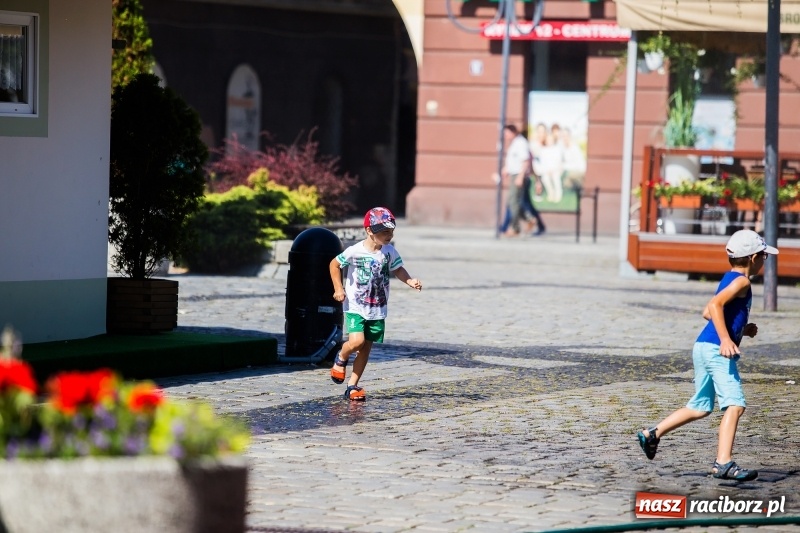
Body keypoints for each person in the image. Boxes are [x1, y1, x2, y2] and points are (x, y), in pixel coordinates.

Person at [636, 230, 779, 482]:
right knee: (735, 404)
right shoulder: (742, 282)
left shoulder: (729, 278)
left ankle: (652, 434)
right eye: (764, 257)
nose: (764, 261)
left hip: (702, 346)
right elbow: (713, 307)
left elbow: (707, 312)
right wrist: (726, 339)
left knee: (700, 406)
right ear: (754, 257)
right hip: (715, 348)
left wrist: (740, 329)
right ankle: (722, 463)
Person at [328, 207, 422, 401]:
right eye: (384, 232)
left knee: (365, 348)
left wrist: (410, 281)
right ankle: (342, 356)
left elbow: (398, 269)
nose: (389, 235)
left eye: (391, 231)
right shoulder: (355, 251)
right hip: (355, 305)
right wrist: (338, 288)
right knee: (356, 342)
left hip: (377, 307)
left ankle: (352, 386)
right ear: (370, 231)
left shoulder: (389, 251)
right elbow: (334, 264)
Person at [499, 125, 542, 237]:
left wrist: (520, 176)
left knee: (514, 202)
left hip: (518, 175)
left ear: (513, 132)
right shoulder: (515, 143)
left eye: (507, 133)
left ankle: (516, 228)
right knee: (515, 203)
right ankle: (529, 219)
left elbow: (525, 161)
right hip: (515, 174)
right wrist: (506, 168)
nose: (505, 136)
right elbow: (514, 160)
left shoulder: (520, 143)